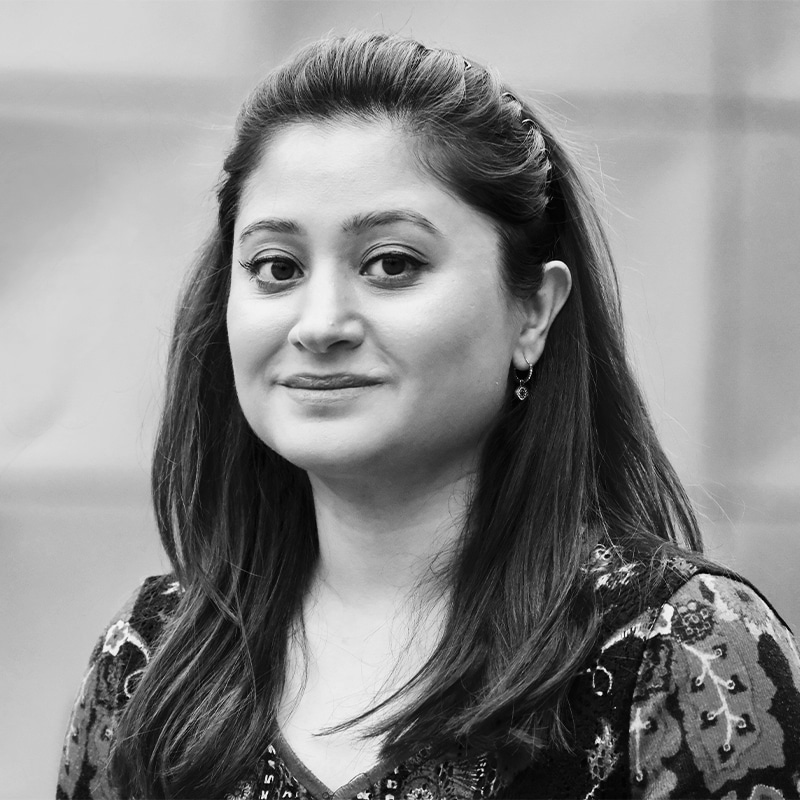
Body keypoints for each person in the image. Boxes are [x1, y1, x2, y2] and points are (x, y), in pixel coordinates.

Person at [57, 31, 800, 800]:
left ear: (533, 311)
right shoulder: (150, 663)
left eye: (392, 264)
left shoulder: (683, 652)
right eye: (277, 268)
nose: (320, 324)